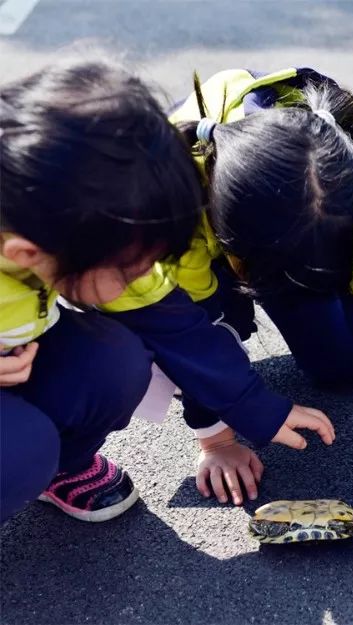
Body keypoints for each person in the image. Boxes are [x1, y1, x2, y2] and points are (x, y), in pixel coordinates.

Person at [102, 68, 353, 506]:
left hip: (268, 213)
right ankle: (242, 310)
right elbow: (187, 331)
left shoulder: (334, 188)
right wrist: (218, 437)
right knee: (213, 326)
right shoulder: (168, 208)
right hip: (202, 215)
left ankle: (288, 293)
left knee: (342, 367)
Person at [0, 60, 201, 522]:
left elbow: (168, 315)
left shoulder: (74, 214)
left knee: (115, 363)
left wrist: (248, 409)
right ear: (30, 255)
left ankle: (62, 467)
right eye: (129, 270)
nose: (143, 276)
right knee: (20, 453)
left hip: (20, 345)